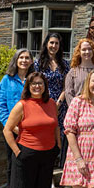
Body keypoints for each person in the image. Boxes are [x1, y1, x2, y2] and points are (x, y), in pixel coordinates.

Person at [3, 72, 60, 188]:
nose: (37, 86)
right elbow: (7, 129)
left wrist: (58, 146)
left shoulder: (51, 103)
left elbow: (55, 126)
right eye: (33, 83)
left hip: (47, 153)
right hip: (26, 153)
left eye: (40, 83)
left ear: (45, 86)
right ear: (28, 86)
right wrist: (17, 151)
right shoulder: (22, 105)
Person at [0, 48, 34, 188]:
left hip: (31, 132)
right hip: (12, 132)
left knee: (30, 165)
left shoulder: (34, 79)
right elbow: (1, 106)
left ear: (31, 61)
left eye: (27, 58)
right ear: (16, 60)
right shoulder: (7, 80)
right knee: (13, 165)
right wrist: (11, 126)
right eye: (21, 58)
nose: (24, 60)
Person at [34, 33, 70, 167]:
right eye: (51, 43)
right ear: (46, 44)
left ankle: (59, 169)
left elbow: (67, 86)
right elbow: (35, 84)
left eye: (56, 43)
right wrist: (48, 103)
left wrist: (58, 104)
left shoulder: (65, 64)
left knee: (59, 138)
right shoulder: (38, 63)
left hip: (61, 106)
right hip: (43, 104)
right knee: (45, 137)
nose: (54, 46)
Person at [64, 38, 94, 107]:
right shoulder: (73, 72)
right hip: (78, 109)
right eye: (84, 49)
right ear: (79, 52)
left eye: (89, 49)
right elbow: (68, 93)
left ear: (93, 51)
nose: (87, 52)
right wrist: (75, 108)